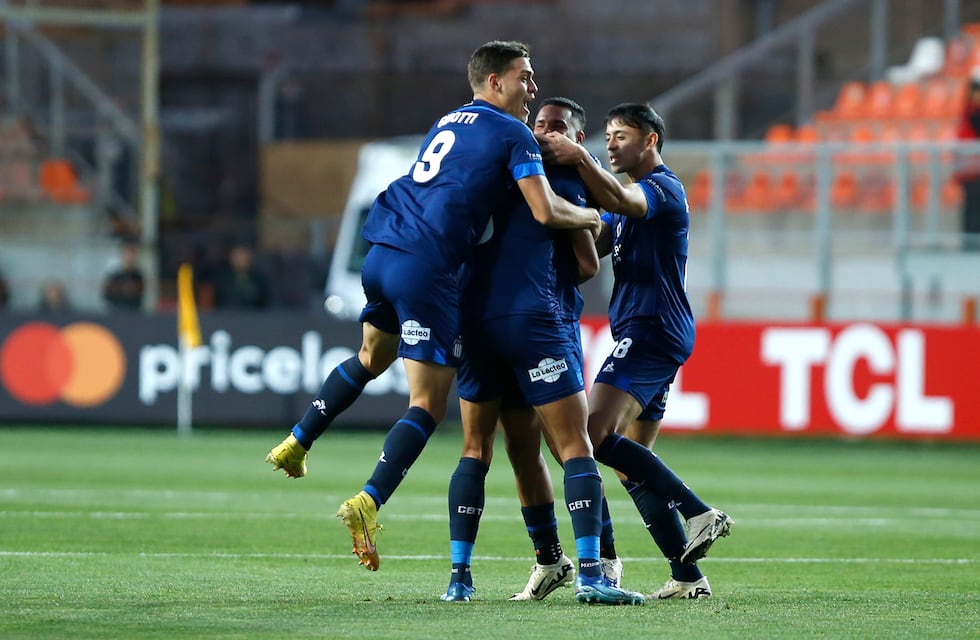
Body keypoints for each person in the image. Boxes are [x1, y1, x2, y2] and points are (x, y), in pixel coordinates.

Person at [264, 42, 605, 590]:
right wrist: (593, 212)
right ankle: (371, 500)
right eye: (525, 77)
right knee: (429, 404)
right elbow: (546, 213)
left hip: (383, 249)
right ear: (494, 81)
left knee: (372, 357)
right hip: (436, 271)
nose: (532, 88)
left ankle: (300, 439)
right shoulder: (515, 135)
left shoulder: (448, 121)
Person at [442, 97, 639, 604]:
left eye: (560, 127)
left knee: (514, 448)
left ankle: (482, 574)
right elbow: (588, 265)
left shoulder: (488, 170)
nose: (547, 131)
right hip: (536, 323)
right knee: (563, 445)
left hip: (481, 320)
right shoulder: (558, 184)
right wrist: (581, 227)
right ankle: (590, 568)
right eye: (541, 124)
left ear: (576, 138)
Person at [538, 102, 734, 600]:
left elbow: (623, 204)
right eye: (605, 136)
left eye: (621, 136)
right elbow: (592, 241)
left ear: (650, 140)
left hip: (649, 329)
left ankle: (699, 513)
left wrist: (580, 160)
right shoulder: (625, 201)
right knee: (634, 464)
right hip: (654, 330)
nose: (610, 144)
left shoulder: (661, 189)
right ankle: (687, 576)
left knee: (592, 435)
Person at [954, 71, 980, 251]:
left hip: (971, 168)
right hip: (972, 169)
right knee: (972, 208)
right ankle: (971, 245)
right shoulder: (972, 111)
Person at [212, 243, 270, 309]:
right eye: (237, 257)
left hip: (252, 316)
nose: (240, 260)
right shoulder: (222, 278)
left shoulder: (259, 279)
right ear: (231, 258)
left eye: (243, 257)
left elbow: (264, 301)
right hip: (227, 315)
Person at [101, 241, 145, 311]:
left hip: (132, 313)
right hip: (115, 312)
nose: (129, 257)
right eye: (127, 254)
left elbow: (139, 297)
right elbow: (106, 295)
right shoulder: (114, 274)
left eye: (131, 254)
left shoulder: (137, 275)